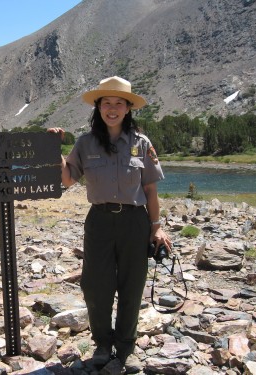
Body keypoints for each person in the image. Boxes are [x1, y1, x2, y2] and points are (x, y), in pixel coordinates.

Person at [49, 76, 172, 373]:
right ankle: (103, 344)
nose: (113, 108)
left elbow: (151, 191)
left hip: (134, 222)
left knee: (131, 287)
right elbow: (67, 179)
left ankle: (125, 347)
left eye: (119, 103)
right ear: (99, 107)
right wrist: (53, 150)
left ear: (128, 108)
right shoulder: (85, 143)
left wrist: (157, 227)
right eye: (107, 103)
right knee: (95, 286)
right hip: (100, 221)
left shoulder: (142, 144)